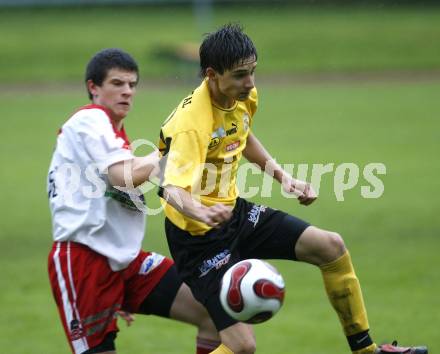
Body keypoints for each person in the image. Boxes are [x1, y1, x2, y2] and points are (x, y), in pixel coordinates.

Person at [158, 24, 428, 354]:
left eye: (253, 71)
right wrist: (202, 211)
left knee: (331, 247)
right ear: (212, 75)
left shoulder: (242, 96)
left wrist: (285, 178)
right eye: (241, 75)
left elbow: (241, 136)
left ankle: (367, 350)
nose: (251, 83)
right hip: (198, 239)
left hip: (234, 213)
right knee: (242, 347)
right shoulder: (192, 123)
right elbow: (171, 188)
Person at [47, 48, 221, 354]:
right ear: (93, 87)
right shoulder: (90, 120)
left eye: (132, 84)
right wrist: (170, 148)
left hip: (125, 261)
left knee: (211, 313)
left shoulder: (113, 137)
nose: (127, 91)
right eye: (117, 83)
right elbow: (123, 177)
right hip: (84, 261)